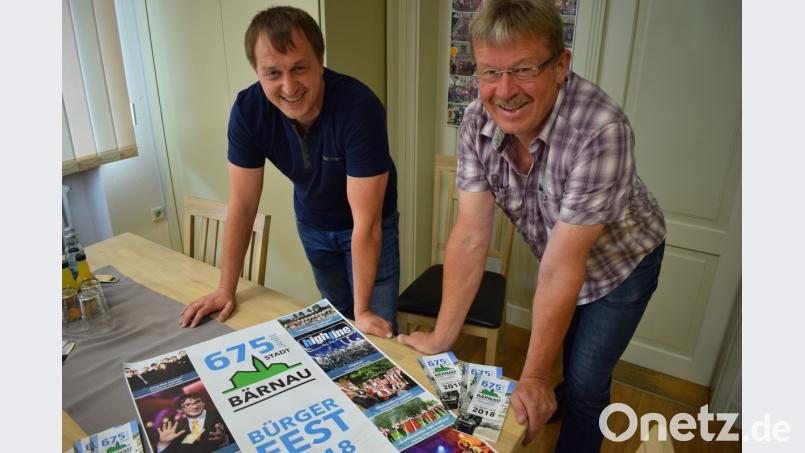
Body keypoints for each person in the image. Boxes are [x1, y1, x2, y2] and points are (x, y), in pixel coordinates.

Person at [397, 0, 666, 451]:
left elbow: (563, 269)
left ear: (561, 66)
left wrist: (535, 377)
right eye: (489, 73)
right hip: (564, 260)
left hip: (623, 264)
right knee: (567, 352)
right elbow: (469, 234)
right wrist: (443, 336)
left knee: (586, 379)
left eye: (523, 69)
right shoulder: (475, 122)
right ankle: (560, 391)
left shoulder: (601, 130)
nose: (505, 91)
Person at [179, 6, 400, 338]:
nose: (289, 86)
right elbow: (242, 204)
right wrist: (226, 288)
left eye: (300, 68)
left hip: (369, 226)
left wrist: (364, 311)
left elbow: (366, 224)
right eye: (272, 73)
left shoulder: (359, 107)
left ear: (320, 62)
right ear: (257, 72)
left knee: (373, 333)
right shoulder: (248, 111)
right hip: (312, 222)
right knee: (335, 325)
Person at [155, 393, 231, 453]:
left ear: (203, 403)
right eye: (187, 405)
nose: (195, 406)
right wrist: (163, 443)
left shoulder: (220, 415)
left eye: (197, 402)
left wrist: (225, 440)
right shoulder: (177, 428)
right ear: (180, 410)